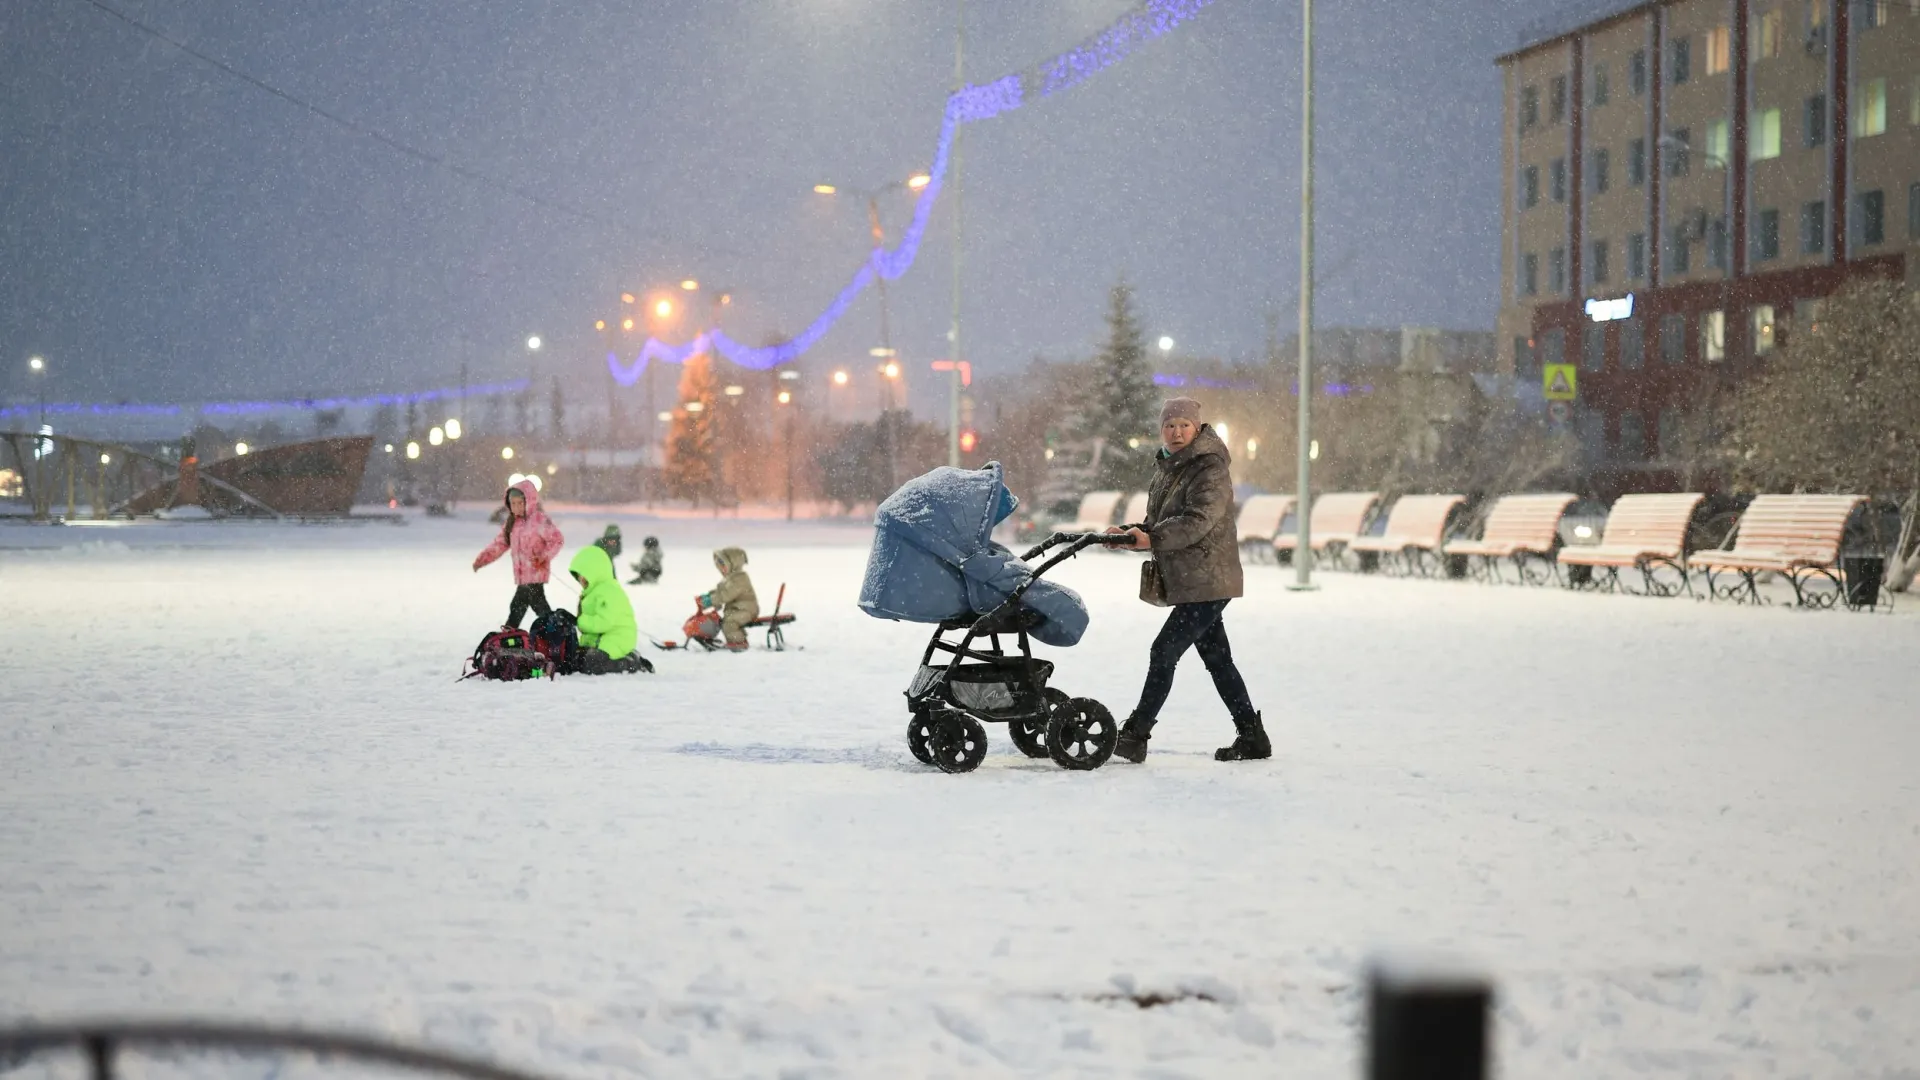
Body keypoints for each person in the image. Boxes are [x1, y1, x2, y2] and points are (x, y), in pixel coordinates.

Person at [1108, 397, 1269, 763]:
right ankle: (1253, 736)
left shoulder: (1208, 467)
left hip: (1209, 577)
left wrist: (1153, 538)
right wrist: (1132, 534)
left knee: (1163, 650)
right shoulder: (1169, 467)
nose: (1176, 431)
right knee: (1218, 659)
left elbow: (1198, 520)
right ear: (1160, 430)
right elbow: (1164, 520)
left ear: (1197, 428)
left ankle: (1135, 733)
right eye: (1169, 425)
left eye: (1184, 425)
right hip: (1195, 579)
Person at [472, 479, 564, 629]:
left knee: (527, 605)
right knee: (524, 607)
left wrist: (544, 557)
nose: (516, 507)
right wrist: (482, 560)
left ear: (529, 501)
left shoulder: (538, 520)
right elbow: (499, 544)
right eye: (513, 504)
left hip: (535, 574)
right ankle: (515, 634)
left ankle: (552, 634)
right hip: (522, 577)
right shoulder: (512, 523)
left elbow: (557, 540)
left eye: (520, 503)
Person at [567, 545, 651, 674]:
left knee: (593, 665)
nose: (580, 580)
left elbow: (604, 622)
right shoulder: (592, 592)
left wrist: (580, 621)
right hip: (600, 639)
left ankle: (632, 663)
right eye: (578, 576)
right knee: (576, 660)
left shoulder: (608, 591)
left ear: (595, 572)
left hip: (617, 637)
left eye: (583, 575)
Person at [702, 547, 760, 652]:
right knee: (725, 620)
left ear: (733, 563)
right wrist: (708, 596)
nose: (721, 569)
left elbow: (726, 594)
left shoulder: (740, 578)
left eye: (723, 565)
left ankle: (738, 644)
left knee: (730, 622)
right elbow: (720, 591)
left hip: (747, 610)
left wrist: (711, 600)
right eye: (720, 566)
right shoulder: (730, 578)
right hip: (737, 609)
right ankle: (736, 640)